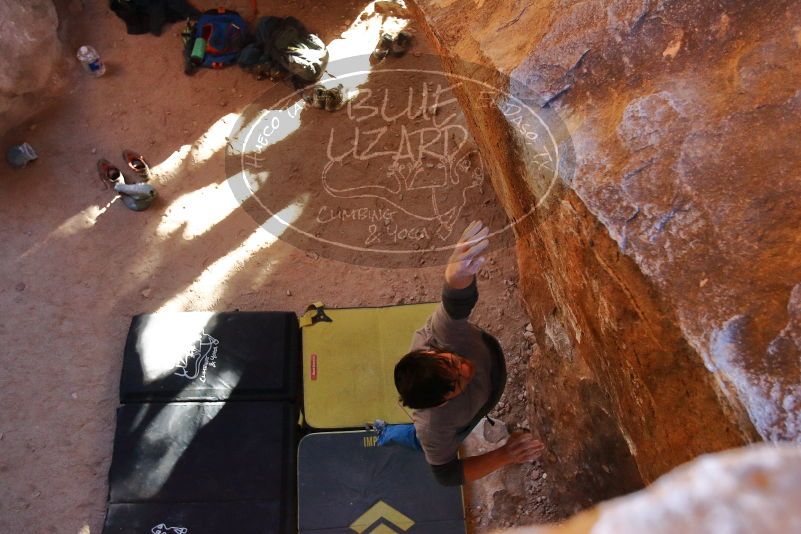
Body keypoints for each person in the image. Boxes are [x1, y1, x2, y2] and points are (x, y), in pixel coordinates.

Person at [379, 220, 545, 486]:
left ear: (432, 353)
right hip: (431, 432)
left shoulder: (437, 338)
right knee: (420, 441)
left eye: (452, 361)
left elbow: (456, 302)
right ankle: (385, 433)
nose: (467, 368)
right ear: (443, 401)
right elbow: (446, 474)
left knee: (426, 438)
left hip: (458, 403)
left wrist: (455, 276)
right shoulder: (436, 425)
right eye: (458, 382)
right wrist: (505, 455)